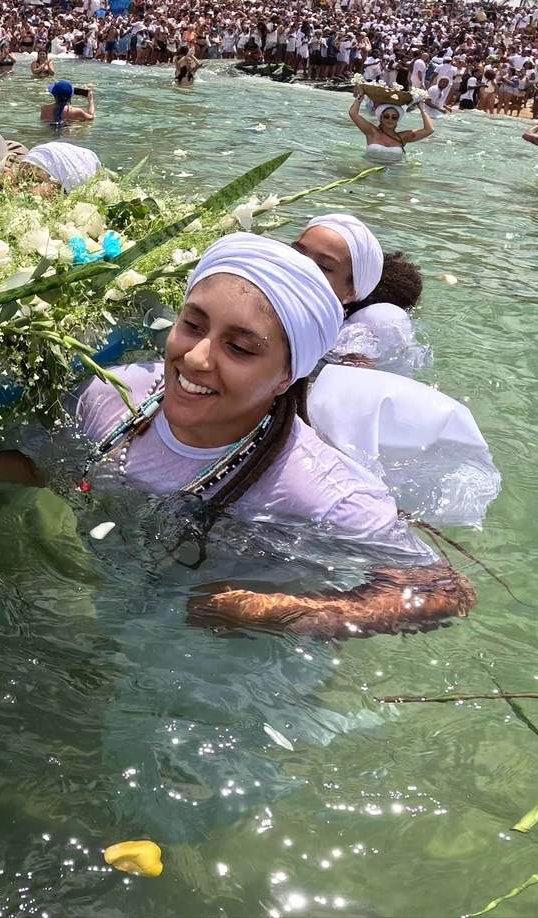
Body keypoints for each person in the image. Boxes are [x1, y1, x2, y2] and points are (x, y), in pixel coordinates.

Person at [74, 233, 475, 637]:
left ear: (287, 375)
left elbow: (443, 589)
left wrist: (270, 612)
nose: (195, 358)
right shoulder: (113, 395)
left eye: (241, 349)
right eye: (193, 325)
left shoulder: (325, 495)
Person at [293, 213, 428, 374]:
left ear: (350, 291)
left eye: (324, 266)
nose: (301, 265)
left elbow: (345, 390)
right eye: (297, 252)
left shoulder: (351, 339)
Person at [348, 90, 433, 164]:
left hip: (395, 173)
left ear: (397, 120)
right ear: (380, 118)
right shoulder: (372, 132)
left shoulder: (403, 137)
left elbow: (429, 130)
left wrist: (422, 109)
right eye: (386, 116)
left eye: (394, 117)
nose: (390, 119)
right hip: (369, 169)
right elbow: (353, 113)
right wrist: (360, 96)